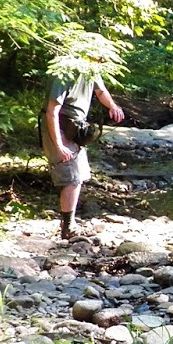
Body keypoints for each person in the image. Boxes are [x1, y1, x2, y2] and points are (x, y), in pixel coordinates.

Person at [41, 72, 125, 240]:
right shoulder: (63, 73)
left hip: (76, 127)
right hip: (61, 127)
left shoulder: (91, 70)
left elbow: (100, 92)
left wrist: (113, 106)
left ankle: (68, 224)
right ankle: (68, 227)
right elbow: (51, 112)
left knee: (78, 175)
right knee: (72, 177)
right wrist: (58, 144)